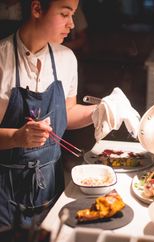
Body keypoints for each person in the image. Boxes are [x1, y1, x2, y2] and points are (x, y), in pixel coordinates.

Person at [0, 0, 97, 227]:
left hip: (51, 183)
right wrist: (17, 138)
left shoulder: (66, 58)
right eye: (64, 14)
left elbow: (67, 113)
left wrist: (100, 111)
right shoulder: (3, 60)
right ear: (36, 9)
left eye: (73, 14)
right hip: (5, 191)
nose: (72, 24)